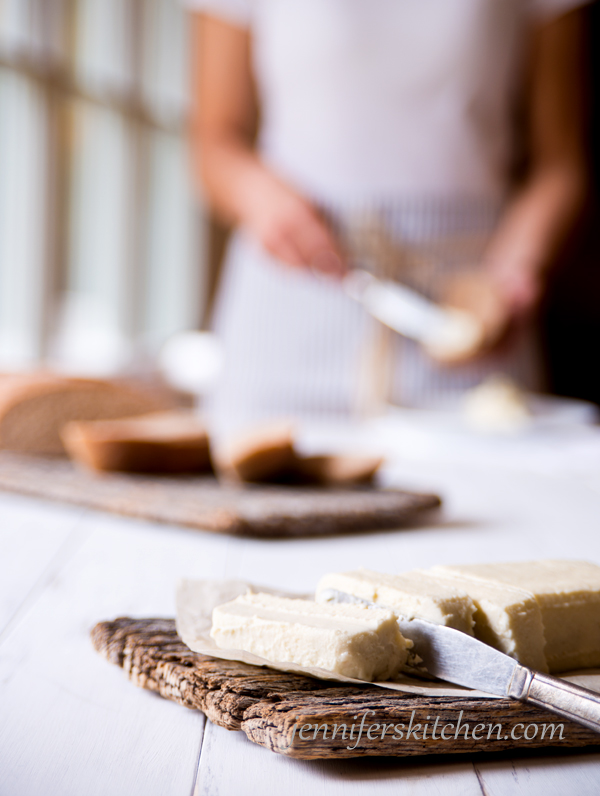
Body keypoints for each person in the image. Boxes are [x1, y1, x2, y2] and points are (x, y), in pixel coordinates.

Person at [185, 0, 589, 429]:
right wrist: (265, 203)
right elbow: (215, 144)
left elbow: (560, 166)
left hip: (467, 312)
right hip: (291, 310)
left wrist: (516, 268)